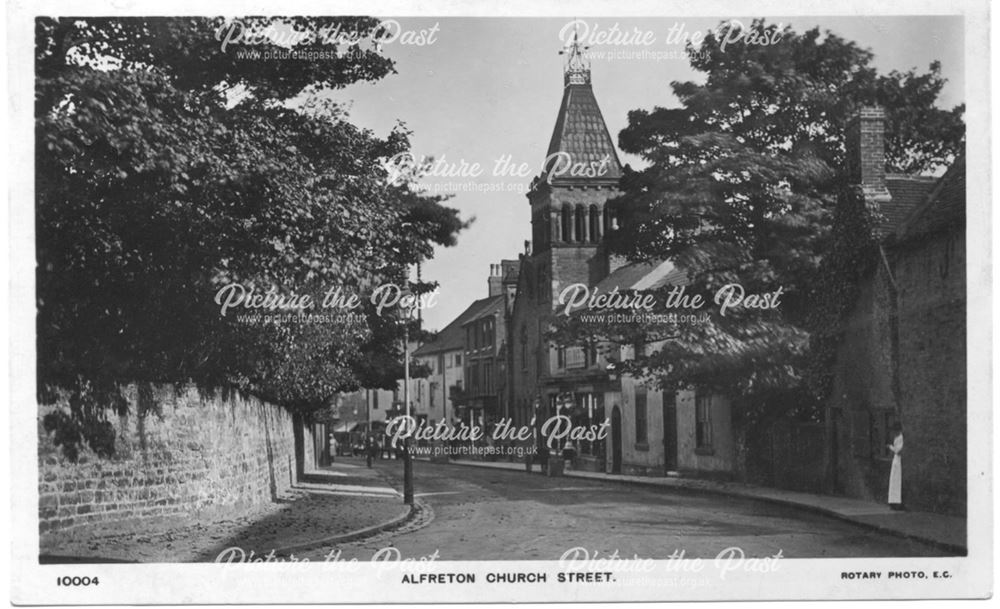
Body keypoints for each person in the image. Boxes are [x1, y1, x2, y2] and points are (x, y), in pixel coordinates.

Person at [887, 423, 905, 510]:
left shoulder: (901, 438)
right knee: (893, 481)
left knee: (897, 481)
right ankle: (893, 501)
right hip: (895, 460)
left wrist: (891, 447)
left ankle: (897, 502)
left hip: (898, 461)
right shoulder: (897, 437)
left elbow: (898, 450)